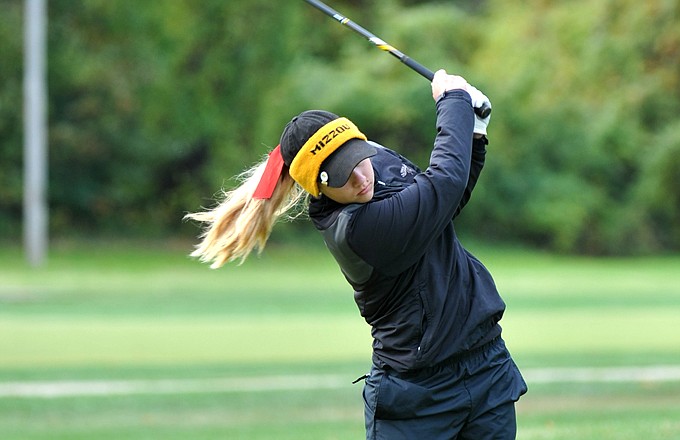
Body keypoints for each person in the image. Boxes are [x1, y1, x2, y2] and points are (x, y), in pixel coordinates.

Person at [185, 69, 527, 439]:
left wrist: (474, 135)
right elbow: (443, 184)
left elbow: (443, 206)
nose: (361, 178)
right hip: (418, 396)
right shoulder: (355, 229)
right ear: (319, 188)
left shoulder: (376, 166)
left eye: (358, 158)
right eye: (342, 176)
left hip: (485, 365)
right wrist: (454, 103)